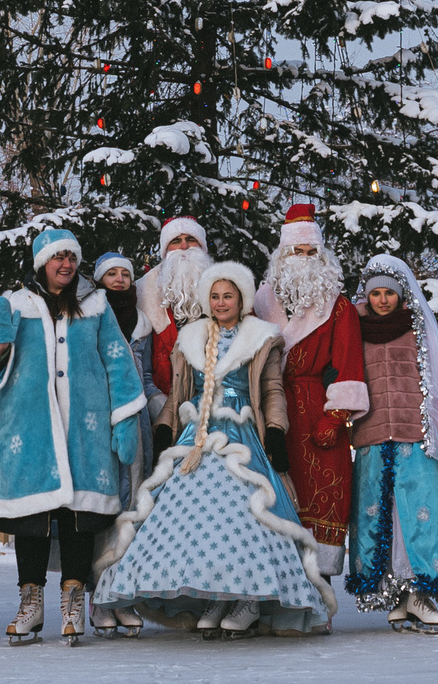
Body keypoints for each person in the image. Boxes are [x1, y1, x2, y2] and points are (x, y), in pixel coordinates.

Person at [94, 261, 334, 637]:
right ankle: (216, 596)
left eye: (229, 296)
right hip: (197, 437)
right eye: (216, 297)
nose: (222, 303)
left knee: (245, 517)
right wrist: (164, 428)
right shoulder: (191, 338)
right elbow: (178, 394)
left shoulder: (261, 337)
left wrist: (274, 431)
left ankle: (248, 600)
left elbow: (271, 390)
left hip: (242, 433)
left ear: (241, 299)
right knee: (192, 517)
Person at [0, 227, 146, 645]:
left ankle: (73, 601)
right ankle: (30, 604)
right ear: (42, 263)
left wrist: (124, 418)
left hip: (85, 429)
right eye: (58, 257)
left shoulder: (96, 304)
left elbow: (118, 361)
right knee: (30, 520)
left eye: (71, 257)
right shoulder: (16, 304)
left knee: (78, 519)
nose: (66, 264)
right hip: (29, 430)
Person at [344, 253, 438, 631]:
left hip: (415, 436)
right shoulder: (355, 330)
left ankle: (420, 592)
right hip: (371, 437)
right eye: (376, 293)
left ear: (402, 296)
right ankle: (398, 596)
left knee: (419, 513)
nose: (383, 300)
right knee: (380, 518)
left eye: (390, 293)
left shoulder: (415, 328)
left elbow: (437, 383)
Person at [251, 204, 369, 580]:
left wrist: (336, 416)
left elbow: (350, 364)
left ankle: (321, 587)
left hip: (317, 406)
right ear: (282, 256)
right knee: (276, 496)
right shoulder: (259, 301)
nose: (303, 260)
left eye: (310, 252)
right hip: (269, 409)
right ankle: (280, 588)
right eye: (295, 252)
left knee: (322, 495)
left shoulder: (338, 307)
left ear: (322, 256)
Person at [87, 249, 148, 637]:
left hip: (138, 419)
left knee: (133, 504)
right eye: (111, 274)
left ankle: (124, 593)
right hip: (99, 419)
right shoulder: (92, 317)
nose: (120, 280)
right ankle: (98, 597)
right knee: (103, 505)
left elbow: (153, 373)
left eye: (125, 274)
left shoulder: (144, 322)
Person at [135, 216, 212, 447]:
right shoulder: (142, 293)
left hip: (216, 407)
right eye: (175, 241)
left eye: (191, 239)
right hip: (163, 410)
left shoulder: (224, 287)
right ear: (165, 250)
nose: (184, 247)